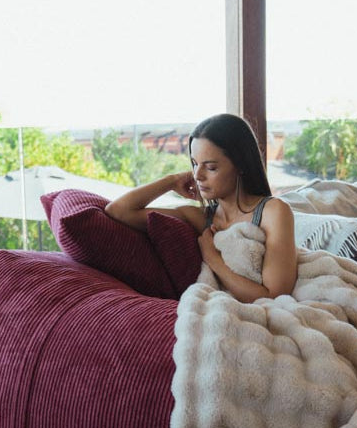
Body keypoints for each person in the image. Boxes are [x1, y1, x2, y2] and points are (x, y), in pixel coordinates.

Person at [105, 113, 298, 302]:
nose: (197, 175)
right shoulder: (198, 216)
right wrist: (171, 181)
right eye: (195, 164)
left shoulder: (273, 212)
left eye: (211, 167)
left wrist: (212, 258)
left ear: (240, 165)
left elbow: (275, 296)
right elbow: (119, 211)